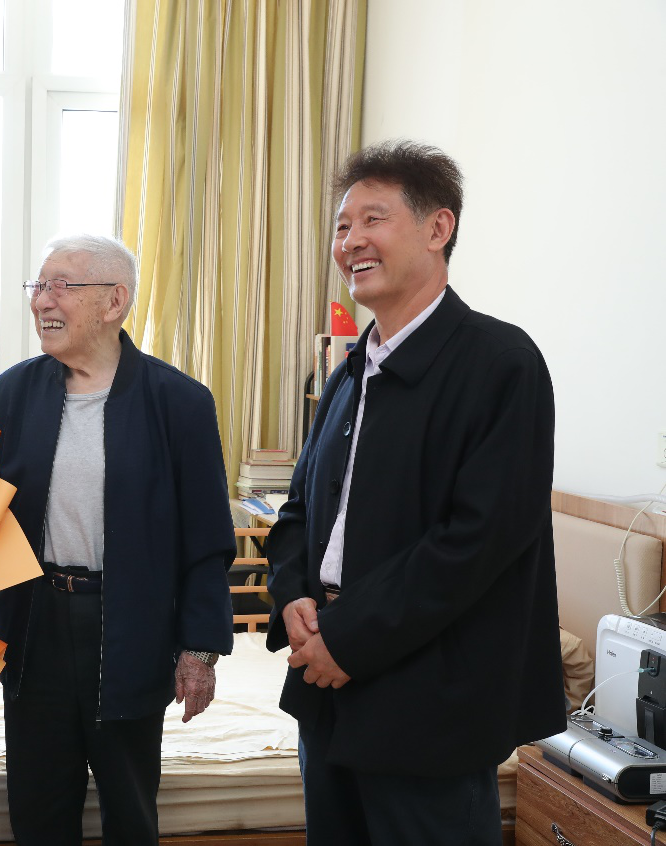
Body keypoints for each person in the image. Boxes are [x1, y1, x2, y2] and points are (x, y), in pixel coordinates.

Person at [265, 141, 565, 846]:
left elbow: (476, 542)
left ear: (438, 228)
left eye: (373, 219)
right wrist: (291, 595)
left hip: (428, 699)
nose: (350, 241)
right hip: (326, 688)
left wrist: (346, 638)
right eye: (342, 226)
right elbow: (301, 508)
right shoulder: (347, 373)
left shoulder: (500, 364)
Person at [0, 234, 235, 845]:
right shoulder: (14, 391)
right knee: (38, 808)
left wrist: (199, 650)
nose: (42, 300)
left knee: (129, 807)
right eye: (38, 285)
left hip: (129, 625)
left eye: (61, 285)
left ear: (114, 302)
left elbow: (207, 540)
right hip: (36, 619)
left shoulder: (179, 401)